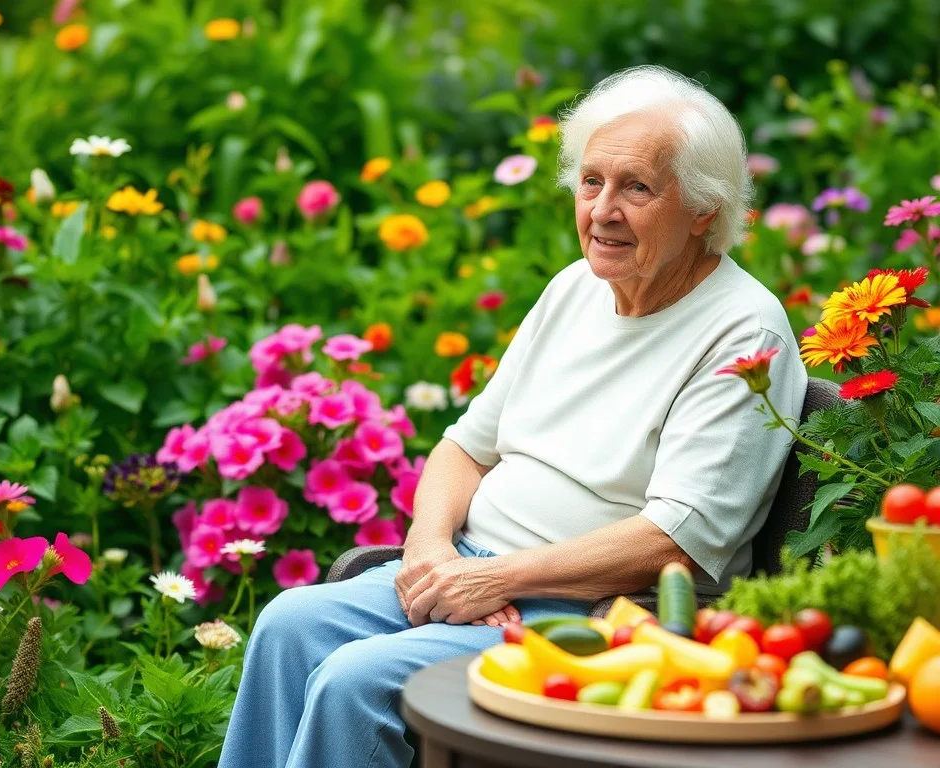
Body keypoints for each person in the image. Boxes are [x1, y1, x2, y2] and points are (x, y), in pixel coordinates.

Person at [218, 64, 808, 768]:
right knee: (287, 625)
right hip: (470, 572)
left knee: (355, 681)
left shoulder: (742, 332)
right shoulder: (576, 288)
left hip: (594, 613)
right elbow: (465, 448)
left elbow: (675, 541)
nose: (602, 211)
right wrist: (430, 551)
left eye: (637, 188)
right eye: (591, 182)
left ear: (704, 208)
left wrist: (501, 581)